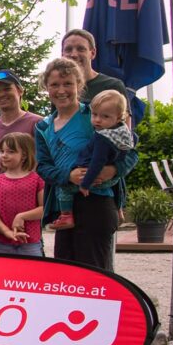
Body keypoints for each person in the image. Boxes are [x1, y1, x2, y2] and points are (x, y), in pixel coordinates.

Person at [35, 58, 138, 270]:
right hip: (64, 208)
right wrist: (67, 176)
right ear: (47, 87)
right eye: (54, 85)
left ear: (79, 85)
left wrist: (112, 170)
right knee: (66, 275)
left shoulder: (97, 115)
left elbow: (130, 153)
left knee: (96, 273)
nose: (61, 90)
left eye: (68, 84)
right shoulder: (43, 127)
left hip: (96, 202)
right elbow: (42, 166)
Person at [47, 89, 134, 232]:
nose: (98, 120)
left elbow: (97, 162)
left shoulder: (102, 137)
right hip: (104, 182)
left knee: (63, 189)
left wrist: (85, 183)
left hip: (89, 178)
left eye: (105, 116)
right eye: (94, 115)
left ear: (118, 117)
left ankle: (66, 215)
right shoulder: (121, 132)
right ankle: (119, 208)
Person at [0, 68, 42, 181]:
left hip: (28, 195)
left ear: (20, 90)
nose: (1, 94)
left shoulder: (38, 124)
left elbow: (44, 164)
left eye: (7, 89)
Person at [0, 133, 45, 256]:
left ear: (24, 155)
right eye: (2, 151)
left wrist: (22, 216)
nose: (4, 155)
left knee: (30, 275)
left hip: (30, 243)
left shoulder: (37, 180)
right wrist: (7, 232)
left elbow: (44, 208)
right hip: (0, 244)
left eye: (11, 151)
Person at [61, 28, 129, 108]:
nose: (74, 54)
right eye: (68, 49)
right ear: (62, 55)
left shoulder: (112, 86)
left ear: (93, 53)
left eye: (80, 49)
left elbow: (124, 119)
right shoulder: (60, 88)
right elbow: (59, 120)